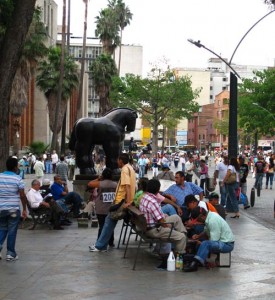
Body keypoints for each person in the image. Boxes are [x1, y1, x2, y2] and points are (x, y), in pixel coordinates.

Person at [89, 153, 136, 252]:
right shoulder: (130, 168)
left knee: (108, 223)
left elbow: (127, 185)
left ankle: (100, 246)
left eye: (118, 160)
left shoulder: (124, 170)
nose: (117, 162)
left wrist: (127, 201)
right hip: (123, 201)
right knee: (109, 223)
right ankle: (102, 245)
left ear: (121, 161)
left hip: (120, 201)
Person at [139, 179, 187, 270]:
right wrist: (169, 227)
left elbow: (159, 217)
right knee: (181, 237)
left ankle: (184, 238)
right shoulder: (153, 202)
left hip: (150, 225)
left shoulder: (144, 197)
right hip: (154, 229)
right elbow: (162, 222)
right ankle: (178, 259)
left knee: (176, 217)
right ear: (158, 190)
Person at [183, 207, 235, 272]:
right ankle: (198, 261)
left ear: (201, 216)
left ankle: (195, 264)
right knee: (202, 243)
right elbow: (206, 230)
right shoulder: (210, 216)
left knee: (205, 243)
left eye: (197, 220)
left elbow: (213, 241)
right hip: (222, 242)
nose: (197, 222)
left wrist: (201, 243)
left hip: (227, 244)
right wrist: (198, 236)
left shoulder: (213, 221)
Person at [0, 157, 27, 261]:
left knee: (2, 228)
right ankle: (10, 253)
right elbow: (22, 195)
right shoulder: (17, 178)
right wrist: (24, 209)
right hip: (13, 209)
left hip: (0, 209)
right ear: (16, 167)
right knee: (12, 230)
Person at [87, 168, 117, 247]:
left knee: (101, 226)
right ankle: (111, 242)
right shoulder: (115, 184)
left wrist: (98, 178)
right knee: (110, 225)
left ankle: (99, 242)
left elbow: (90, 184)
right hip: (111, 207)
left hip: (100, 207)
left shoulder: (100, 183)